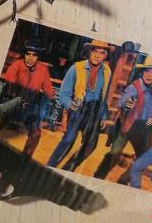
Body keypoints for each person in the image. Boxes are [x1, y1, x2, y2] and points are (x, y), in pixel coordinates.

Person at [94, 55, 152, 182]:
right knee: (114, 153)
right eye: (146, 71)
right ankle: (97, 178)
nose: (149, 75)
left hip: (145, 127)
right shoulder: (134, 87)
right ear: (142, 72)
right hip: (128, 125)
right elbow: (122, 102)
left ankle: (123, 181)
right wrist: (127, 105)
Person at [47, 40, 112, 171]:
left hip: (95, 111)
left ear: (105, 56)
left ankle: (67, 169)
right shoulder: (76, 68)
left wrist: (104, 115)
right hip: (79, 108)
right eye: (94, 51)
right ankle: (50, 167)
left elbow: (104, 96)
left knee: (91, 145)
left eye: (101, 53)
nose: (97, 55)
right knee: (69, 140)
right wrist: (70, 105)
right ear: (89, 52)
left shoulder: (107, 71)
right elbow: (64, 94)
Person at [2, 40, 56, 157]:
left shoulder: (43, 69)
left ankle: (24, 160)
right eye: (28, 54)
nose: (30, 58)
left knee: (35, 134)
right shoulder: (16, 66)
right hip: (11, 103)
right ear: (24, 54)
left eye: (34, 55)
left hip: (29, 107)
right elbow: (9, 87)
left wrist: (53, 97)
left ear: (38, 57)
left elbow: (48, 89)